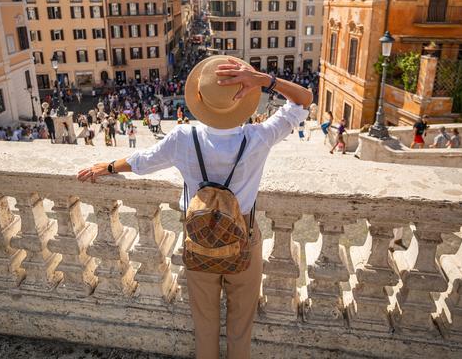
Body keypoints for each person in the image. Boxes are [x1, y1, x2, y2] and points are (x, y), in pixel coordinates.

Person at [77, 56, 312, 359]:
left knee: (205, 325)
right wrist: (265, 80)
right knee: (241, 327)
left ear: (198, 98)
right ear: (243, 98)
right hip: (244, 239)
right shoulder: (259, 136)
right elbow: (304, 101)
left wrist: (108, 166)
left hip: (199, 240)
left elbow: (141, 162)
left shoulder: (182, 138)